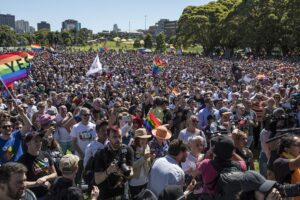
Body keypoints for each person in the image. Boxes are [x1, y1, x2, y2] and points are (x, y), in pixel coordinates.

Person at [94, 126, 134, 200]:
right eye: (114, 137)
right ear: (108, 138)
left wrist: (122, 173)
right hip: (106, 195)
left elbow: (131, 173)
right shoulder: (101, 154)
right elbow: (97, 180)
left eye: (119, 136)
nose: (118, 139)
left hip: (123, 194)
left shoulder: (128, 150)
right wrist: (108, 171)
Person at [18, 131, 57, 199]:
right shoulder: (23, 160)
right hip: (34, 196)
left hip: (50, 193)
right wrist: (37, 183)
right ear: (28, 143)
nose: (39, 143)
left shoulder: (46, 155)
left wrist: (45, 178)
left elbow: (55, 174)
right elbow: (21, 183)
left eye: (40, 141)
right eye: (36, 141)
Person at [70, 107, 97, 184]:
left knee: (90, 173)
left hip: (91, 155)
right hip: (80, 156)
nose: (87, 116)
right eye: (85, 115)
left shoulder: (93, 126)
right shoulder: (76, 127)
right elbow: (74, 142)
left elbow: (95, 140)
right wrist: (81, 154)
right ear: (81, 116)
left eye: (88, 114)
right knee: (79, 173)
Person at [129, 128, 153, 200]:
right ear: (136, 139)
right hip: (134, 182)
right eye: (142, 139)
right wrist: (143, 158)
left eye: (145, 138)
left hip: (145, 181)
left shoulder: (147, 146)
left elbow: (148, 162)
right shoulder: (131, 149)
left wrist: (151, 158)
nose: (144, 141)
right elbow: (132, 165)